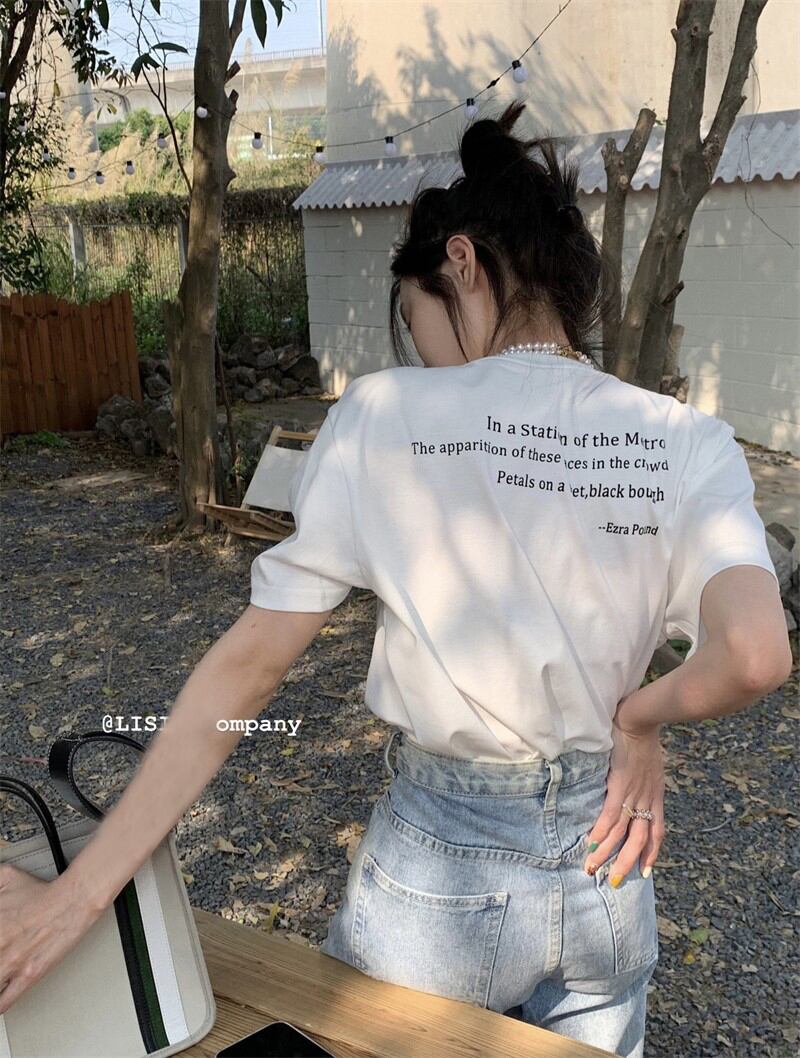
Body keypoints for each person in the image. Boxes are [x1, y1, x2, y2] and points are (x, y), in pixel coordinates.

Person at [0, 101, 790, 1058]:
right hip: (609, 871)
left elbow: (248, 673)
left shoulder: (383, 416)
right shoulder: (684, 438)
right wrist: (640, 718)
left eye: (416, 322)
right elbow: (754, 655)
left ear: (461, 261)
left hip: (440, 877)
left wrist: (78, 897)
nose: (420, 354)